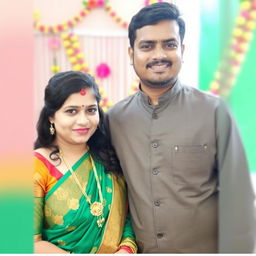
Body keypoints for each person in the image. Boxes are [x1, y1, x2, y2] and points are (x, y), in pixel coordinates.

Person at [105, 2, 255, 253]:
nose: (159, 54)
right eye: (147, 46)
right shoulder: (115, 120)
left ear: (182, 50)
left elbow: (238, 201)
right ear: (131, 54)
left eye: (170, 44)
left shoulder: (215, 112)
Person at [33, 71, 137, 254]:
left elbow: (128, 217)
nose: (83, 121)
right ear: (51, 116)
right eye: (71, 111)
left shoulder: (108, 157)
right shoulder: (35, 166)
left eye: (91, 110)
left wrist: (126, 249)